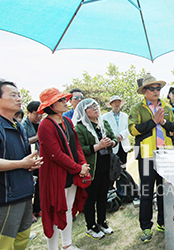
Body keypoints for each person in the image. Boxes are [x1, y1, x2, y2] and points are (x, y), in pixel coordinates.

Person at [0, 80, 43, 250]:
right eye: (13, 95)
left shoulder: (18, 126)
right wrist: (21, 163)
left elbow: (22, 158)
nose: (19, 98)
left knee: (22, 238)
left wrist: (30, 163)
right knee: (3, 244)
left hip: (25, 193)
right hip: (6, 198)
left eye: (19, 95)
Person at [37, 87, 90, 250]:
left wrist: (82, 164)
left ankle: (67, 245)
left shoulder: (67, 121)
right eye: (60, 100)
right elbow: (55, 154)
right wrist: (78, 168)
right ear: (51, 105)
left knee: (67, 209)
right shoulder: (45, 125)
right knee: (54, 211)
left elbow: (77, 145)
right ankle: (53, 247)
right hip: (55, 175)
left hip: (72, 173)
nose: (65, 102)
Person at [128, 73, 174, 243]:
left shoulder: (166, 106)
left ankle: (163, 223)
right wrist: (153, 121)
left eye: (158, 88)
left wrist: (163, 122)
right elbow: (134, 130)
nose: (156, 91)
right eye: (152, 88)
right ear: (144, 91)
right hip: (146, 156)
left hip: (165, 155)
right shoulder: (137, 108)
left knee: (164, 190)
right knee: (146, 192)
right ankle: (146, 227)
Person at [74, 98, 117, 239]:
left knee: (103, 195)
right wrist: (98, 146)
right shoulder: (80, 127)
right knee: (90, 198)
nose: (95, 109)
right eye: (91, 107)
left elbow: (113, 138)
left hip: (105, 165)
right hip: (91, 168)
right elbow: (80, 149)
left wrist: (112, 142)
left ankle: (102, 221)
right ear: (84, 111)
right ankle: (91, 226)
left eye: (96, 106)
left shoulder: (103, 123)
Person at [102, 95, 132, 195]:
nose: (116, 104)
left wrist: (121, 135)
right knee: (111, 168)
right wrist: (113, 138)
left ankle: (122, 192)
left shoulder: (125, 116)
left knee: (122, 169)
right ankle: (110, 192)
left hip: (123, 145)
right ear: (111, 104)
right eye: (114, 102)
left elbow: (129, 129)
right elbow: (103, 130)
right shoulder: (105, 117)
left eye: (118, 102)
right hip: (112, 146)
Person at [21, 100, 43, 220]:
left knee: (40, 185)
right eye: (36, 114)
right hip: (28, 159)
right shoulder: (23, 124)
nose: (38, 117)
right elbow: (24, 141)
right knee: (29, 186)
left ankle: (38, 208)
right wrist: (37, 137)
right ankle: (29, 212)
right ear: (29, 112)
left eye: (40, 114)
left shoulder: (41, 123)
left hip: (39, 158)